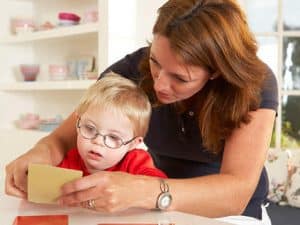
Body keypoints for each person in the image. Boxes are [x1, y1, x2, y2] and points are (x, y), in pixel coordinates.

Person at [5, 0, 278, 224]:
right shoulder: (131, 70)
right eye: (155, 62)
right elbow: (64, 137)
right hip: (154, 209)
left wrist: (142, 191)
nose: (159, 84)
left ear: (216, 72)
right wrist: (39, 153)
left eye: (180, 79)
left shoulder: (254, 84)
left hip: (229, 216)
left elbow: (235, 193)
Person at [58, 72, 167, 182]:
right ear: (78, 123)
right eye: (90, 128)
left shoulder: (135, 162)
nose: (98, 141)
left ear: (132, 144)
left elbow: (159, 186)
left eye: (114, 137)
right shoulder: (70, 160)